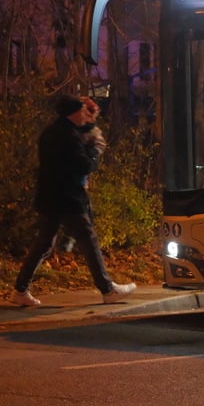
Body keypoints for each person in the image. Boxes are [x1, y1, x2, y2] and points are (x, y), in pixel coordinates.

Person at [12, 94, 136, 306]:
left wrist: (90, 127)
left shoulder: (52, 132)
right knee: (88, 239)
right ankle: (107, 289)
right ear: (73, 112)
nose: (84, 114)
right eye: (81, 110)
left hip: (49, 196)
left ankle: (20, 290)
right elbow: (84, 165)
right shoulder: (69, 137)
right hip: (68, 198)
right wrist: (95, 151)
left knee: (44, 244)